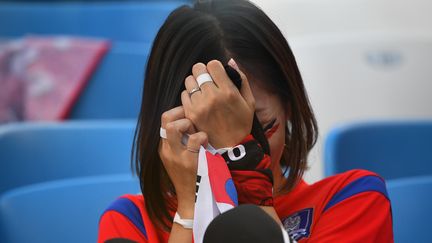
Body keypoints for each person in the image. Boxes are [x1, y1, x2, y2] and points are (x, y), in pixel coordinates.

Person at [98, 0, 393, 242]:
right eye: (208, 137)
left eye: (261, 129)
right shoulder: (130, 222)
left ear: (289, 105)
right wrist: (189, 210)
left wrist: (246, 164)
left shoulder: (353, 200)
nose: (227, 155)